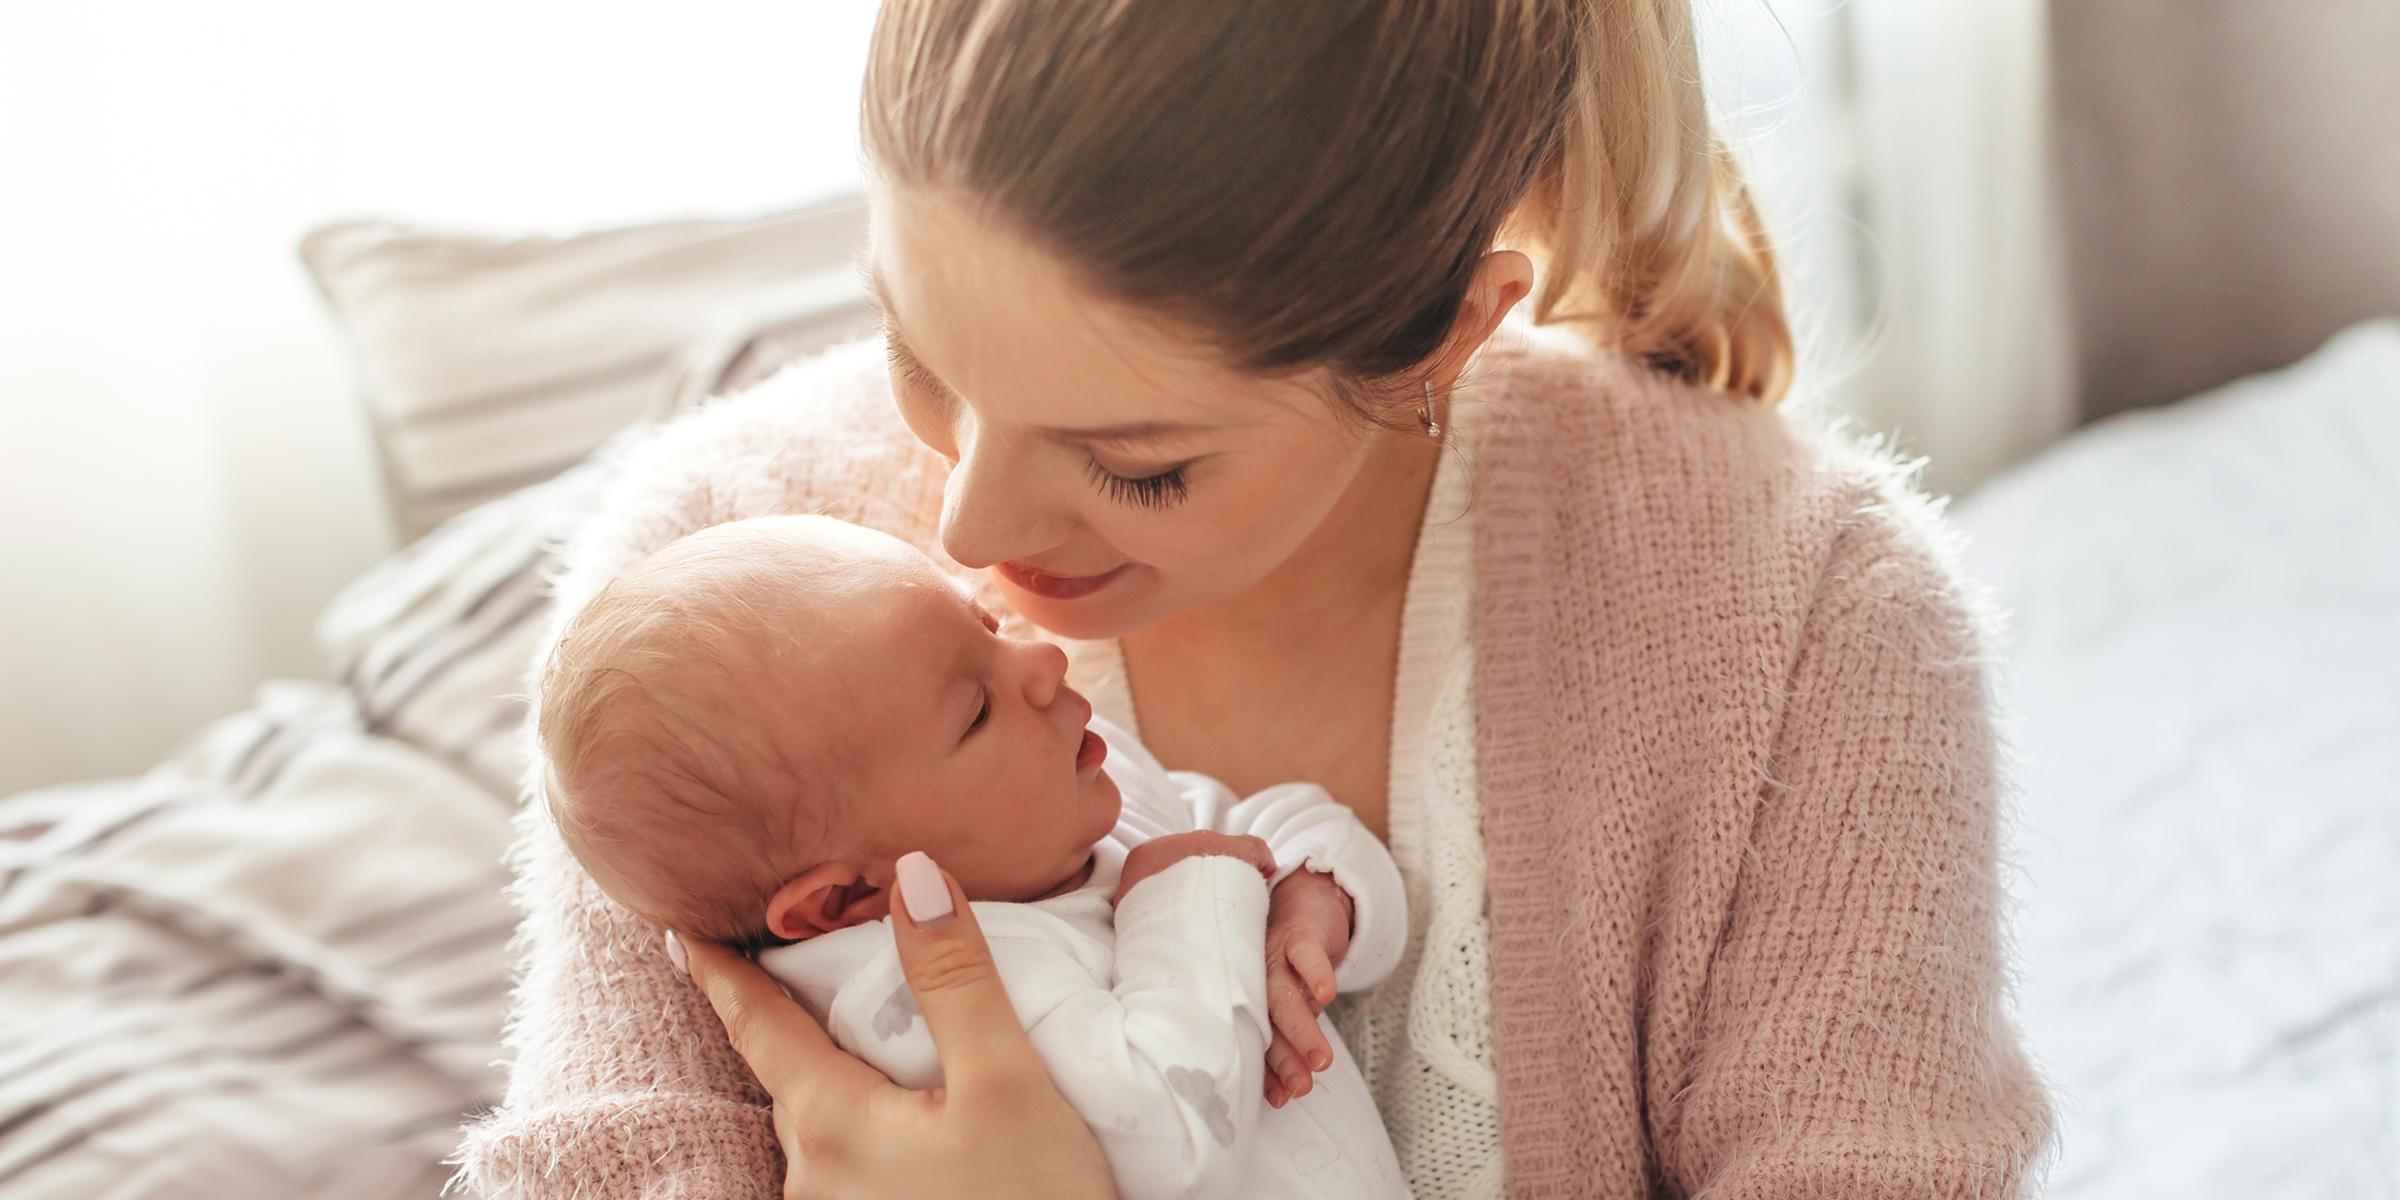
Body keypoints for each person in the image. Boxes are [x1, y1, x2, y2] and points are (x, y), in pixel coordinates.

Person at [459, 0, 2053, 1196]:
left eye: (1135, 463)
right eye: (920, 359)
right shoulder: (713, 579)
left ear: (1452, 329)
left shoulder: (1808, 623)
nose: (971, 524)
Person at [536, 514, 1411, 1199]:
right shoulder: (922, 999)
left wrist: (1314, 894)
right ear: (845, 901)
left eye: (986, 624)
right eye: (975, 712)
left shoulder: (1076, 803)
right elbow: (1175, 1143)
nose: (1039, 662)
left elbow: (1253, 825)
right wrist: (1183, 894)